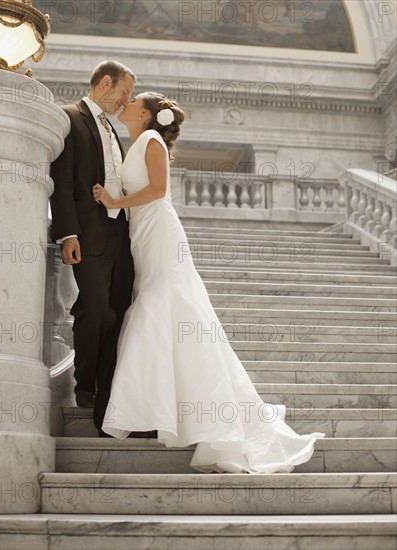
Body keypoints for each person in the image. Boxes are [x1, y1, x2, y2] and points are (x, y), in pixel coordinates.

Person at [92, 92, 324, 473]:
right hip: (141, 233)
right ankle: (175, 405)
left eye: (133, 100)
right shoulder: (134, 144)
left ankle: (189, 411)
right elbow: (135, 191)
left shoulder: (149, 140)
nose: (126, 103)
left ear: (146, 114)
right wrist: (111, 198)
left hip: (159, 231)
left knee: (163, 302)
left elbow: (157, 191)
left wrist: (114, 202)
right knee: (160, 303)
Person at [50, 61, 135, 434]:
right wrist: (69, 234)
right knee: (94, 310)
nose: (125, 101)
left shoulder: (113, 130)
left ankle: (104, 390)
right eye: (124, 93)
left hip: (121, 236)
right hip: (88, 235)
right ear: (105, 83)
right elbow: (63, 178)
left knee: (117, 312)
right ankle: (85, 386)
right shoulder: (71, 117)